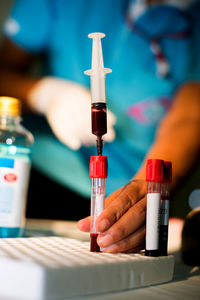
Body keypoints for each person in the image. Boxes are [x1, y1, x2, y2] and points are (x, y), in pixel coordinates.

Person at [0, 0, 200, 252]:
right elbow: (4, 72)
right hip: (48, 176)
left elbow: (189, 116)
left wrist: (147, 189)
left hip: (126, 186)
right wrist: (45, 94)